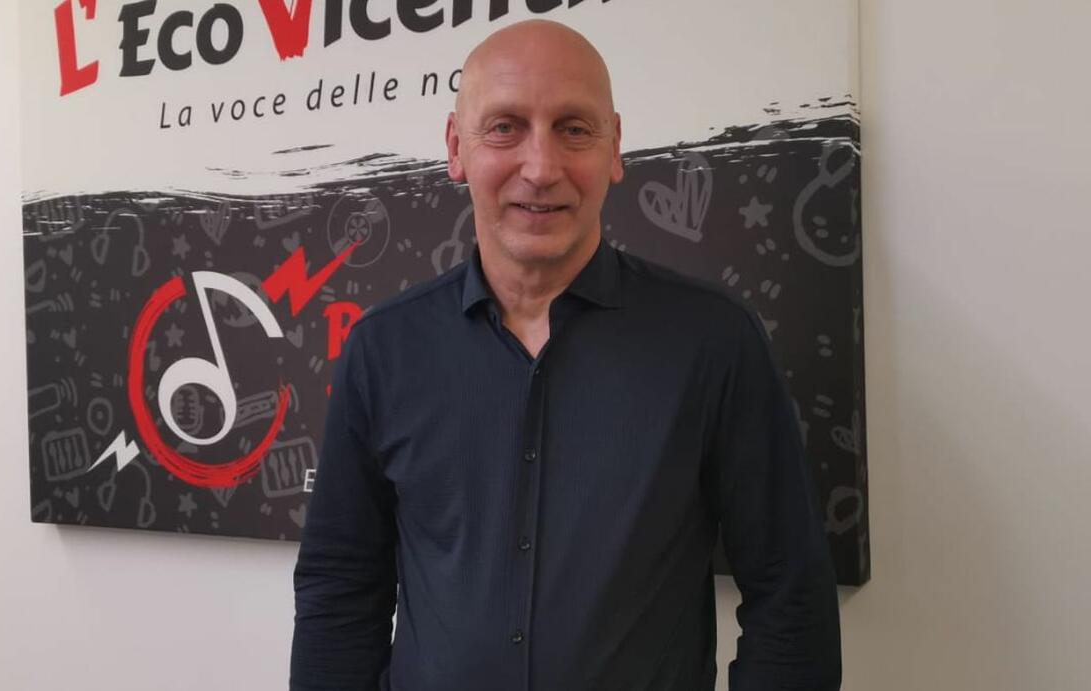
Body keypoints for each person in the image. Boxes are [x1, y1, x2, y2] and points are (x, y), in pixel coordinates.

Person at [290, 19, 841, 691]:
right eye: (505, 127)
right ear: (456, 148)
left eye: (574, 129)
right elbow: (341, 586)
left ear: (615, 148)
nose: (541, 168)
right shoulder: (383, 348)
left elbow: (790, 593)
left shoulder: (715, 342)